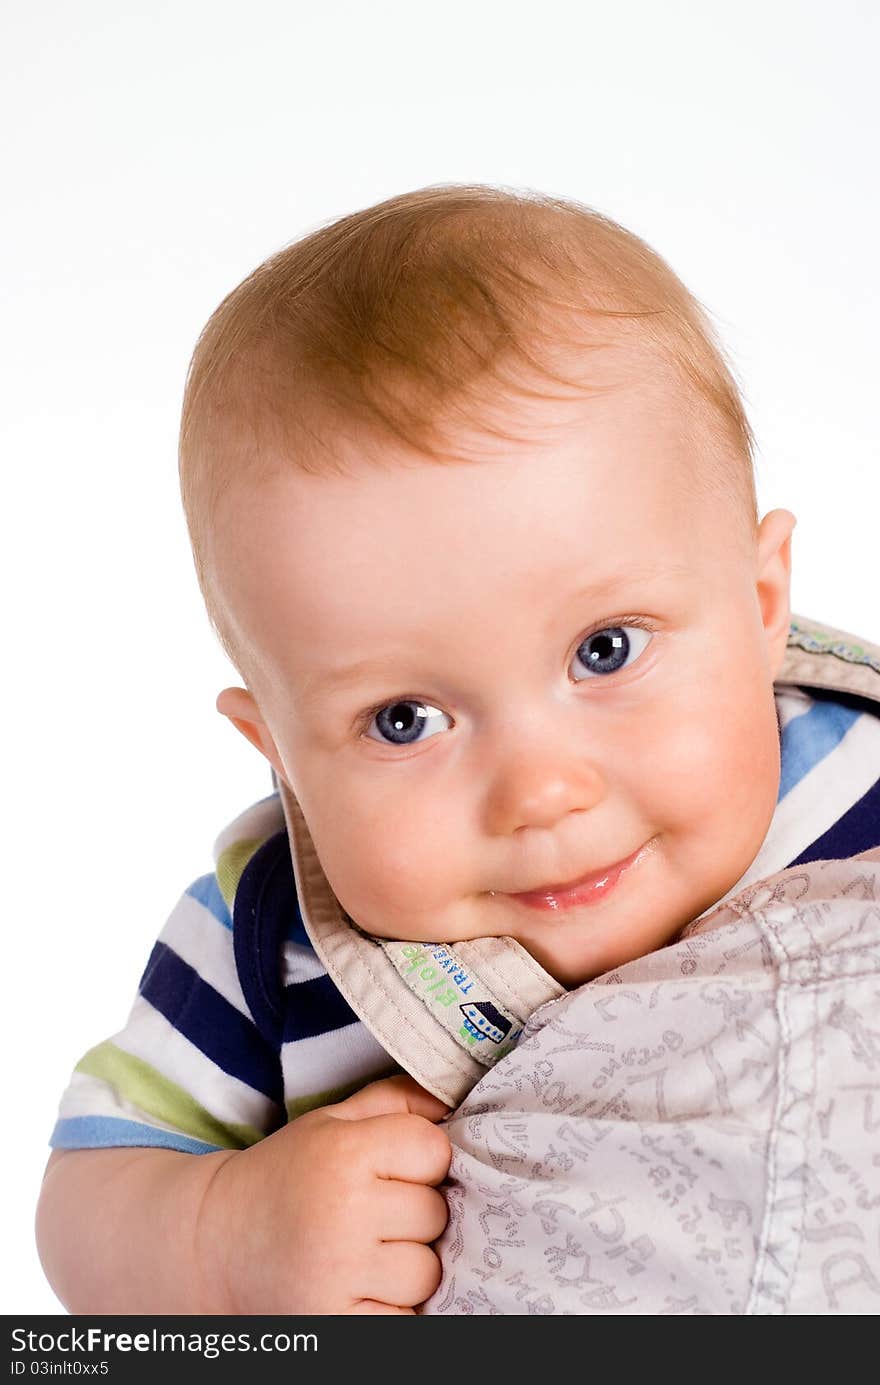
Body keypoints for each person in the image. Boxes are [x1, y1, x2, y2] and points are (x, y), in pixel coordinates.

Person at [35, 184, 880, 1315]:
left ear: (761, 599)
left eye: (605, 649)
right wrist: (223, 1236)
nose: (540, 790)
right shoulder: (267, 944)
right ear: (278, 752)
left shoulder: (856, 762)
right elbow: (83, 1201)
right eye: (404, 720)